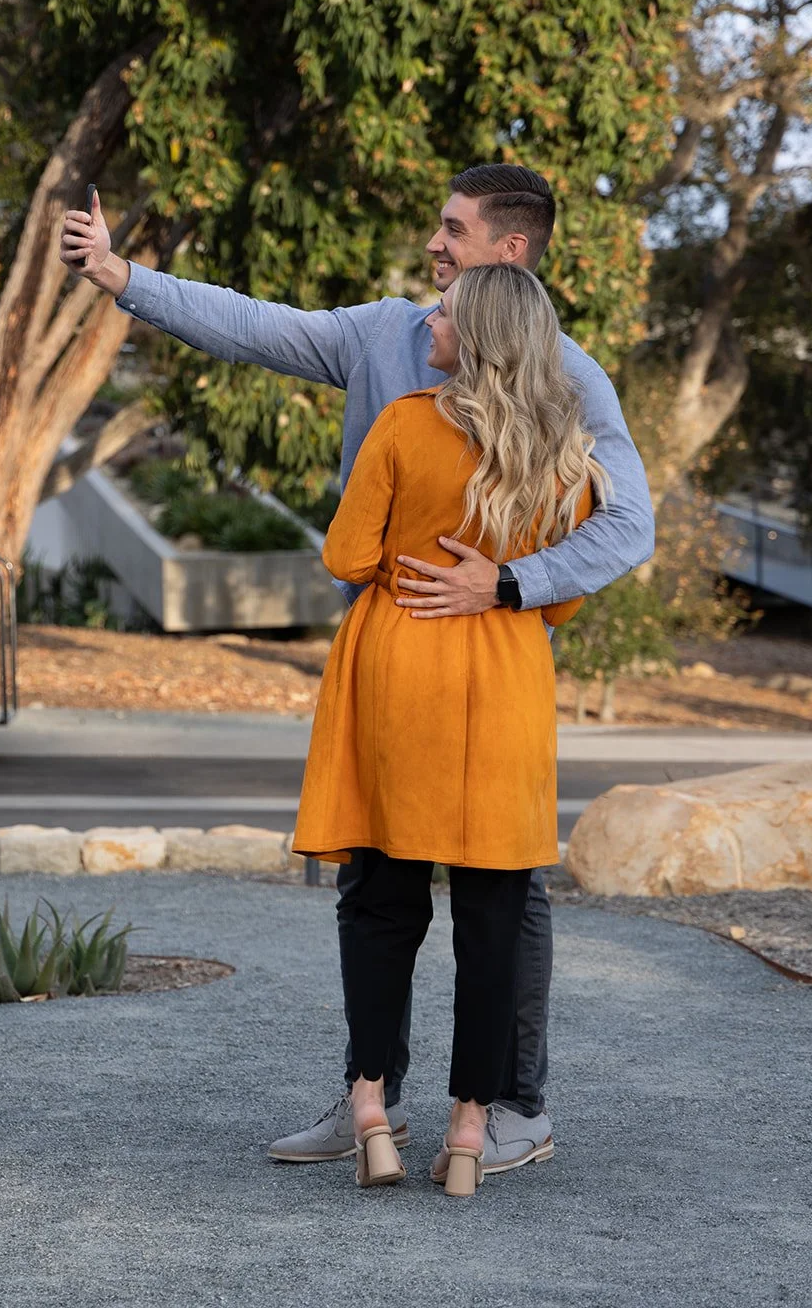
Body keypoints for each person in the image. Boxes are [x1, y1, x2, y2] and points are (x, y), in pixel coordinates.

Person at [59, 163, 654, 1175]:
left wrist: (506, 584)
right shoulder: (385, 332)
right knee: (379, 880)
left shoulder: (571, 378)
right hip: (398, 672)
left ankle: (515, 1104)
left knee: (500, 898)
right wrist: (127, 278)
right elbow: (257, 323)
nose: (436, 242)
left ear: (509, 252)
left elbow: (630, 522)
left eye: (455, 229)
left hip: (486, 665)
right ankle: (373, 1094)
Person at [293, 264, 610, 1195]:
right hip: (504, 683)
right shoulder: (566, 455)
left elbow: (344, 555)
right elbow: (564, 606)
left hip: (401, 668)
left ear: (474, 336)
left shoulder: (404, 424)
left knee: (383, 901)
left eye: (443, 312)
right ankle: (470, 1133)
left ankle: (368, 1107)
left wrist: (403, 555)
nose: (428, 319)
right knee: (493, 914)